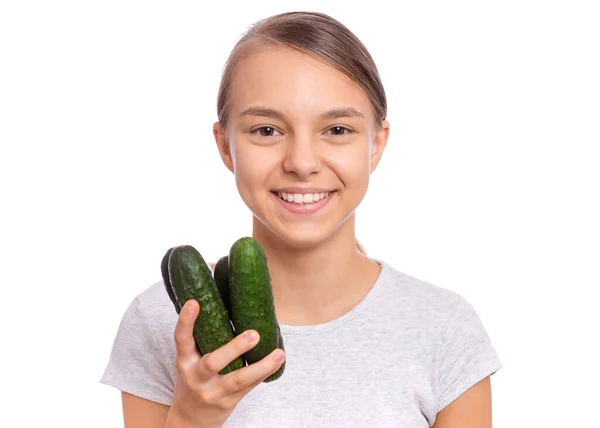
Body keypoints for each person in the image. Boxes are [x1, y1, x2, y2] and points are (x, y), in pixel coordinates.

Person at [100, 11, 502, 428]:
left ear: (377, 144)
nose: (302, 163)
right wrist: (190, 418)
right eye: (267, 131)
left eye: (338, 129)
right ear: (225, 146)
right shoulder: (160, 320)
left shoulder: (444, 328)